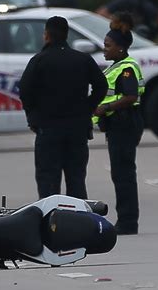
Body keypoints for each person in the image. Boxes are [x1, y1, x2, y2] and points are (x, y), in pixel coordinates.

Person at [19, 16, 108, 200]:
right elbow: (101, 85)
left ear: (46, 36)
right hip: (77, 128)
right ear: (67, 35)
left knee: (48, 180)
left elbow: (25, 91)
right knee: (76, 179)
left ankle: (51, 221)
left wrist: (33, 117)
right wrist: (88, 106)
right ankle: (78, 221)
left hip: (48, 129)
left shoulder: (39, 60)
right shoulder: (82, 60)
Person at [93, 12, 145, 235]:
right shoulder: (115, 66)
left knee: (123, 173)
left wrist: (106, 108)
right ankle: (126, 219)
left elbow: (131, 96)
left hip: (124, 124)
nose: (104, 49)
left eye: (108, 45)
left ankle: (128, 222)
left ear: (120, 48)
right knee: (120, 172)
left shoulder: (126, 68)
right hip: (116, 126)